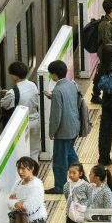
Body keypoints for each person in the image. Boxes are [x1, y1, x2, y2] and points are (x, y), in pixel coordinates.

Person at [46, 60, 81, 195]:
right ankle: (81, 177)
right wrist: (52, 97)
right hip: (74, 126)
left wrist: (51, 132)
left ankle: (60, 187)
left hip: (63, 131)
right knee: (71, 154)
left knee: (60, 160)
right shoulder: (72, 84)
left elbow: (56, 115)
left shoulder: (57, 91)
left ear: (54, 75)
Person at [0, 61, 42, 161]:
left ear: (15, 76)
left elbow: (4, 105)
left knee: (22, 154)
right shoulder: (33, 84)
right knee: (34, 152)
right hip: (35, 121)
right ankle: (34, 174)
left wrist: (6, 94)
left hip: (22, 125)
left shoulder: (12, 92)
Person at [92, 0, 112, 103]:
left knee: (103, 71)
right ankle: (97, 94)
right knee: (103, 72)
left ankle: (97, 94)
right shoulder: (105, 24)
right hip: (106, 52)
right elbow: (107, 41)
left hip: (109, 51)